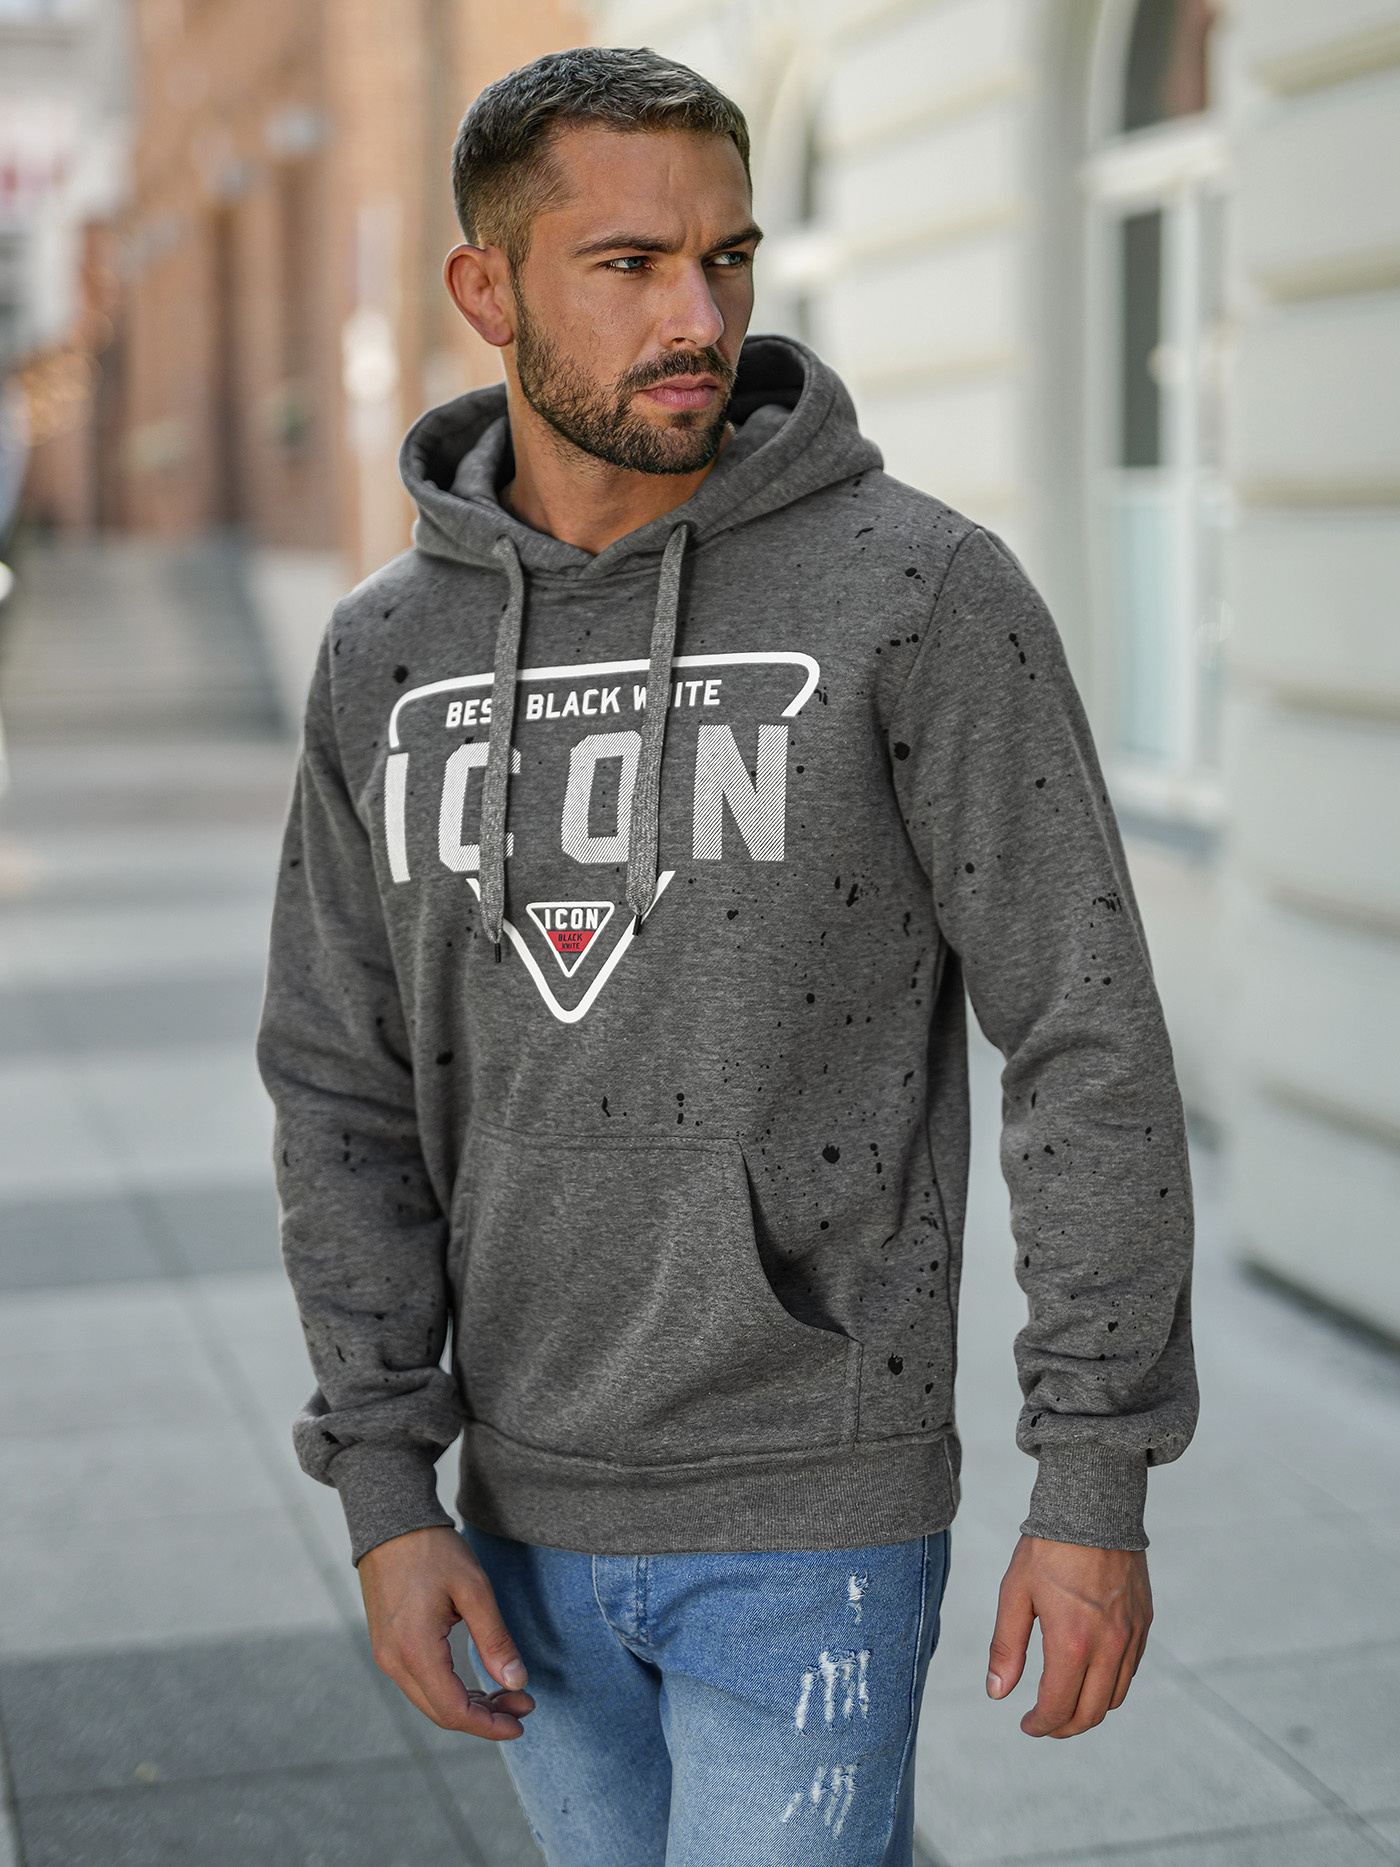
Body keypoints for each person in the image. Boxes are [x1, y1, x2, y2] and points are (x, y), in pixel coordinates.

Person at [257, 45, 1196, 1867]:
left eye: (729, 258)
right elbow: (338, 1083)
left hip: (814, 1500)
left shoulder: (921, 592)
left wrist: (1093, 1477)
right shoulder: (386, 654)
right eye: (629, 265)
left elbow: (1084, 1034)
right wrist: (385, 1485)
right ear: (486, 290)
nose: (699, 317)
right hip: (511, 1504)